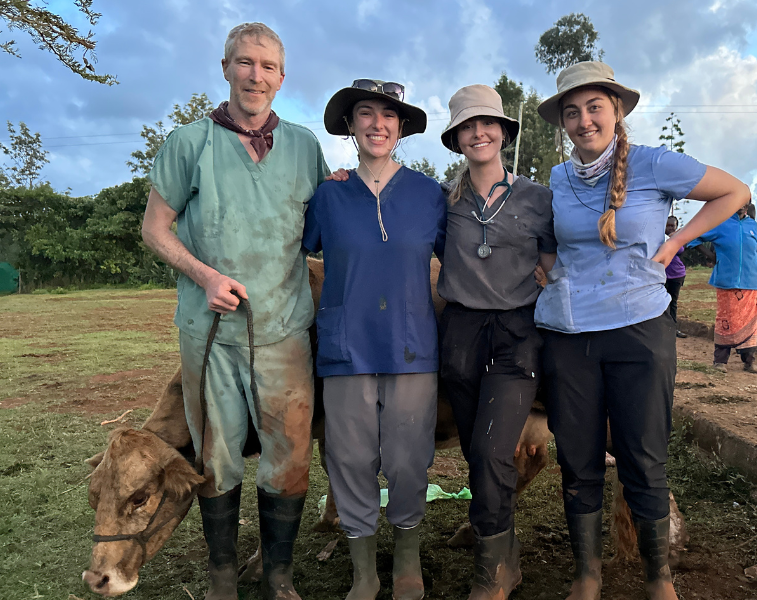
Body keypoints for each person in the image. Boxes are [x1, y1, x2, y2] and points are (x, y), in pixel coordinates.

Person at [534, 61, 751, 600]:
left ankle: (659, 577)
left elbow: (735, 192)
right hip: (570, 333)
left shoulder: (655, 165)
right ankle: (587, 574)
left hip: (639, 329)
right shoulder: (559, 179)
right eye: (572, 112)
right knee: (577, 456)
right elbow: (551, 241)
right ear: (563, 122)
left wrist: (677, 244)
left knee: (643, 455)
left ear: (617, 111)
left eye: (594, 108)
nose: (584, 121)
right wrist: (548, 268)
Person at [141, 23, 327, 600]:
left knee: (289, 459)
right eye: (244, 63)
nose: (255, 75)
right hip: (210, 331)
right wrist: (205, 276)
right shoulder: (189, 142)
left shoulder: (304, 147)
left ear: (281, 77)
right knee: (217, 459)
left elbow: (320, 232)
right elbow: (154, 228)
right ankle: (222, 578)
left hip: (285, 331)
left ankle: (278, 577)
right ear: (225, 68)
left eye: (267, 66)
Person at [302, 79, 445, 600]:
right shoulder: (328, 195)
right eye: (366, 113)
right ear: (350, 124)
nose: (377, 124)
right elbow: (293, 246)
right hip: (345, 348)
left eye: (389, 115)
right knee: (349, 458)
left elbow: (466, 258)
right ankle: (364, 569)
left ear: (401, 127)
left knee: (410, 460)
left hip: (412, 347)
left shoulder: (431, 195)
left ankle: (406, 557)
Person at [436, 84, 556, 600]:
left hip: (516, 334)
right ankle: (505, 560)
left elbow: (553, 256)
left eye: (487, 124)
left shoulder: (537, 197)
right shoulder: (444, 201)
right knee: (474, 451)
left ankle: (490, 577)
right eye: (468, 126)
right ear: (458, 138)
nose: (478, 133)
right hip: (460, 333)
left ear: (504, 132)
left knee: (490, 451)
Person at [689, 203, 757, 374]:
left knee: (751, 324)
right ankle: (720, 361)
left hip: (752, 283)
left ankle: (749, 362)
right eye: (737, 202)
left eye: (744, 204)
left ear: (748, 205)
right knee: (726, 321)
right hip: (727, 282)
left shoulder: (752, 225)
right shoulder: (721, 223)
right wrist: (712, 256)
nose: (741, 206)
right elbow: (694, 239)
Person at [664, 215, 688, 339]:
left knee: (672, 302)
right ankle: (663, 329)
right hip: (662, 275)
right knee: (661, 303)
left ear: (676, 226)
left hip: (677, 274)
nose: (669, 228)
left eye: (672, 226)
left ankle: (672, 329)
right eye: (667, 225)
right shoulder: (658, 238)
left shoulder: (678, 238)